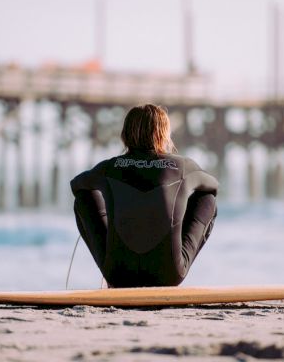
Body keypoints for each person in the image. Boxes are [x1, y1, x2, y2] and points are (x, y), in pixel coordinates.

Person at [70, 104, 218, 288]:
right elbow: (213, 186)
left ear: (125, 134)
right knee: (207, 199)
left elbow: (77, 185)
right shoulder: (181, 166)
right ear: (163, 133)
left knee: (83, 198)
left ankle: (113, 267)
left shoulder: (110, 167)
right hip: (168, 275)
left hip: (118, 274)